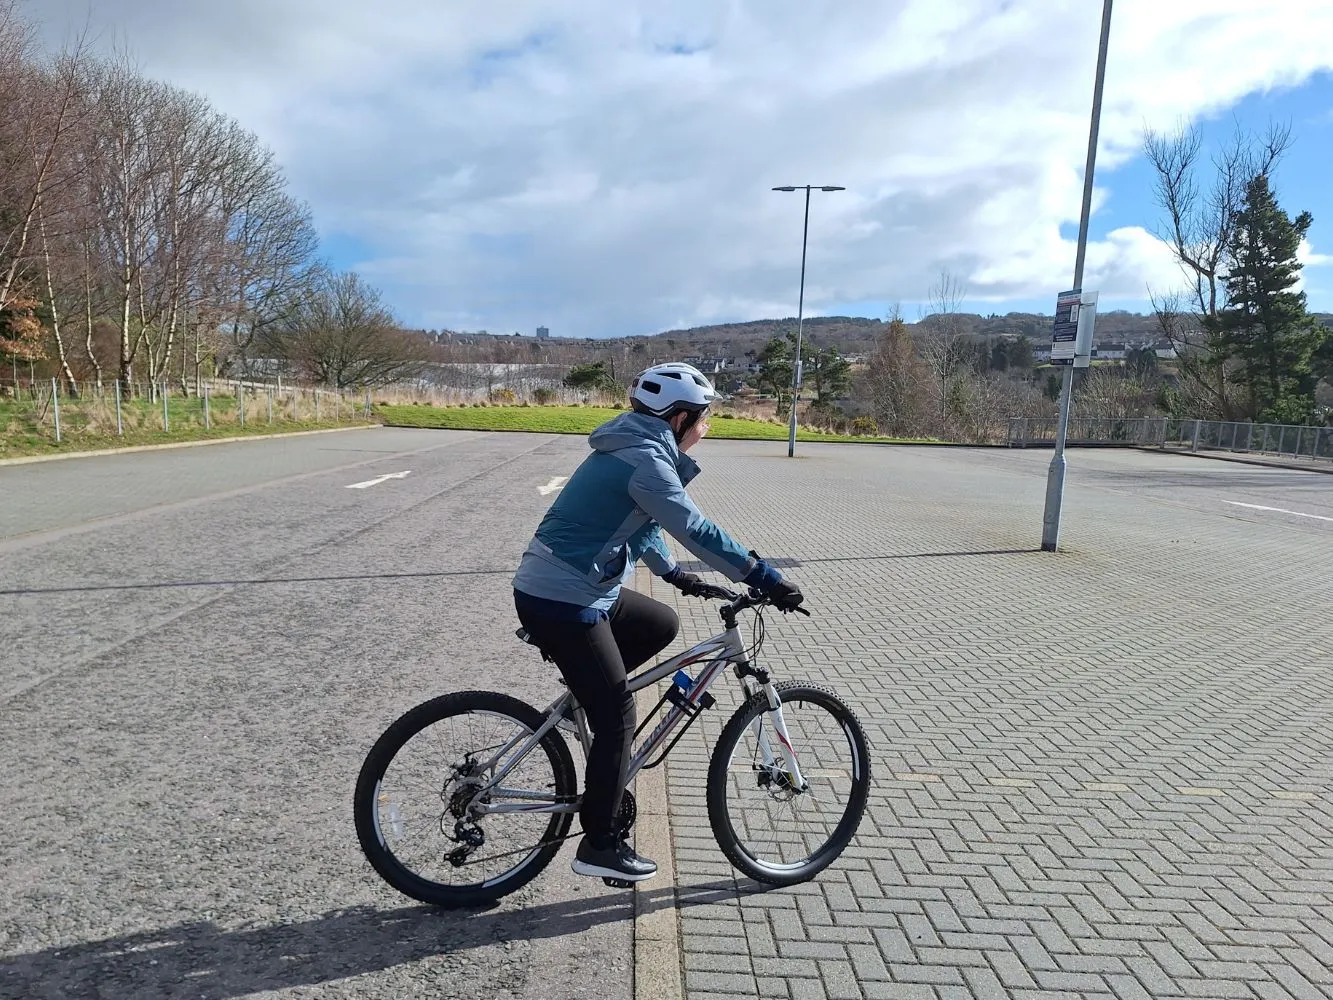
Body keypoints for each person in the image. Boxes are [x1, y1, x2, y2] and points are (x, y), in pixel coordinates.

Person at [511, 362, 804, 882]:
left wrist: (673, 574)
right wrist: (762, 575)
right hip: (563, 597)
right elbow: (694, 527)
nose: (707, 429)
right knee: (618, 716)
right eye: (704, 419)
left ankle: (590, 685)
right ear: (680, 417)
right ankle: (598, 844)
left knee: (659, 624)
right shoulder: (647, 459)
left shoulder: (635, 447)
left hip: (568, 587)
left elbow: (637, 522)